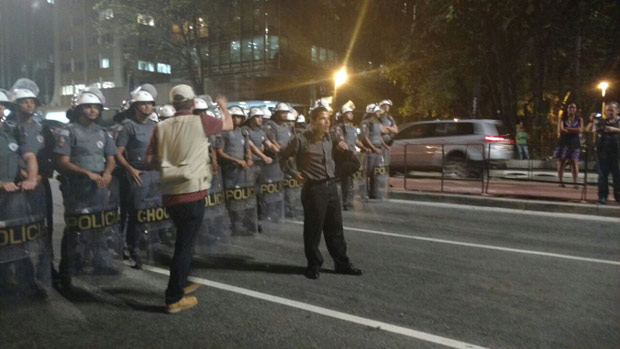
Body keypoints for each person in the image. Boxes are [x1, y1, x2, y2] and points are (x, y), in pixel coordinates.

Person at [145, 84, 232, 313]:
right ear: (193, 103)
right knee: (184, 247)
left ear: (173, 104)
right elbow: (229, 125)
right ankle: (174, 297)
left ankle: (182, 282)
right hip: (193, 193)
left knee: (184, 242)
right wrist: (223, 107)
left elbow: (150, 160)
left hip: (171, 194)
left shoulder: (160, 126)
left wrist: (170, 163)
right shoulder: (201, 121)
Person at [279, 102, 362, 280]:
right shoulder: (300, 139)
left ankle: (342, 264)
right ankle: (313, 265)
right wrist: (294, 173)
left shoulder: (330, 137)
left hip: (332, 187)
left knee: (335, 229)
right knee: (313, 229)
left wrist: (343, 146)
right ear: (313, 121)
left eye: (328, 119)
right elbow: (282, 156)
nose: (327, 122)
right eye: (322, 119)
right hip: (313, 189)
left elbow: (342, 145)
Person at [54, 87, 119, 289]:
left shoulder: (103, 132)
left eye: (96, 107)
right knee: (76, 227)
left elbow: (111, 158)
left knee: (99, 225)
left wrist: (107, 173)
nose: (92, 110)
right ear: (79, 109)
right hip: (77, 186)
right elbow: (62, 162)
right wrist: (86, 173)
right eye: (88, 107)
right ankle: (68, 268)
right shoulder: (68, 131)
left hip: (99, 185)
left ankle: (101, 261)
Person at [7, 79, 57, 277]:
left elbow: (49, 156)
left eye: (32, 101)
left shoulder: (42, 129)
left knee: (44, 226)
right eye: (24, 101)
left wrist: (40, 176)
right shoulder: (8, 128)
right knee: (18, 229)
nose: (29, 105)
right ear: (16, 104)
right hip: (17, 186)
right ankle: (20, 268)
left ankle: (47, 266)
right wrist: (22, 174)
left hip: (40, 183)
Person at [115, 84, 158, 268]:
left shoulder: (156, 126)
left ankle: (148, 247)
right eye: (143, 104)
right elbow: (118, 152)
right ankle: (132, 249)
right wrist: (130, 169)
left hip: (154, 174)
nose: (147, 107)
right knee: (135, 214)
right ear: (135, 106)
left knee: (153, 212)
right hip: (136, 175)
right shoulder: (128, 127)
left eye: (150, 104)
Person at [215, 106, 257, 236]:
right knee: (232, 198)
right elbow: (220, 152)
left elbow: (247, 147)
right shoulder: (224, 132)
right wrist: (236, 160)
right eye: (233, 117)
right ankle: (234, 225)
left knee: (244, 197)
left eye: (238, 117)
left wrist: (249, 157)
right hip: (230, 171)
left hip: (243, 172)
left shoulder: (243, 132)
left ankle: (244, 223)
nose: (236, 119)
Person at [334, 105, 368, 210]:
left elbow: (356, 141)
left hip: (352, 157)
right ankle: (340, 202)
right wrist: (348, 150)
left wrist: (364, 148)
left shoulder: (353, 128)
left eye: (351, 113)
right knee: (343, 180)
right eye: (349, 113)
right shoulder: (339, 128)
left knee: (349, 180)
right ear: (344, 115)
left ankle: (346, 201)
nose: (351, 114)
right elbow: (340, 141)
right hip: (344, 157)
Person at [593, 101, 620, 204]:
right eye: (607, 110)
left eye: (611, 110)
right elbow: (593, 130)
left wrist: (614, 129)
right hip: (603, 153)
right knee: (602, 176)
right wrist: (594, 123)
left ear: (617, 111)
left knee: (617, 176)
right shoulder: (602, 122)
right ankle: (602, 196)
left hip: (617, 153)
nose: (609, 112)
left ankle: (618, 196)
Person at [361, 103, 390, 199]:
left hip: (378, 150)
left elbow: (379, 136)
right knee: (366, 173)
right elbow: (365, 137)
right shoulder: (365, 123)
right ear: (372, 112)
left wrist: (385, 146)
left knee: (375, 173)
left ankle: (373, 193)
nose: (379, 113)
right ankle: (364, 193)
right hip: (370, 151)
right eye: (377, 111)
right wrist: (374, 148)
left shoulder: (377, 123)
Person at [553, 103, 583, 188]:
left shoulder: (579, 119)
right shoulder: (562, 118)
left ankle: (575, 182)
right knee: (562, 161)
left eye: (574, 108)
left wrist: (567, 129)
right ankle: (560, 181)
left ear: (576, 109)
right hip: (563, 141)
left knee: (574, 162)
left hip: (574, 142)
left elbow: (580, 130)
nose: (572, 109)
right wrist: (574, 130)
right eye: (570, 107)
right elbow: (560, 130)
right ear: (567, 109)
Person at [379, 99, 398, 167]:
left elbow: (396, 131)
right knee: (379, 164)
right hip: (380, 144)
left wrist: (387, 127)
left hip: (388, 145)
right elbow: (381, 131)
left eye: (388, 105)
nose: (387, 107)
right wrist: (390, 129)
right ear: (381, 106)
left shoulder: (390, 118)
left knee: (386, 163)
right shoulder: (378, 117)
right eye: (385, 105)